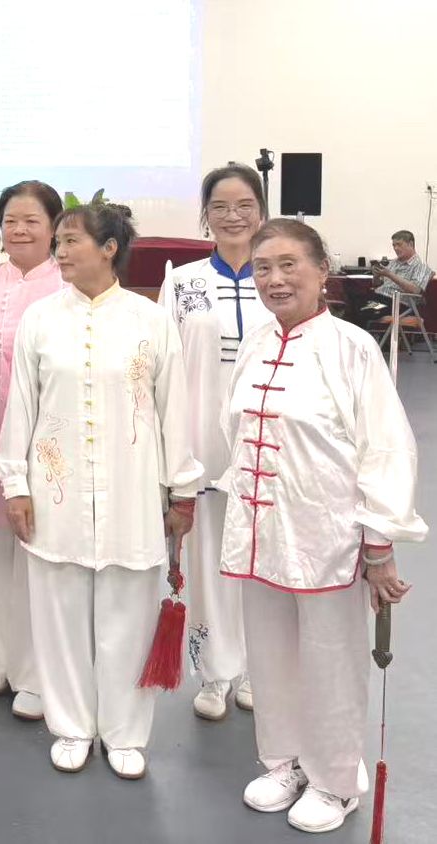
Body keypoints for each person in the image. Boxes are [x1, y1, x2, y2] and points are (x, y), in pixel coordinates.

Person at [222, 219, 426, 834]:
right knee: (270, 656)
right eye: (263, 267)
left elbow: (385, 448)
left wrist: (379, 542)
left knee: (331, 661)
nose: (275, 279)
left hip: (327, 535)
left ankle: (336, 780)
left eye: (289, 265)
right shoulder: (255, 343)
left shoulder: (351, 348)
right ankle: (283, 762)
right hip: (259, 532)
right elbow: (235, 432)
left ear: (321, 271)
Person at [0, 203, 201, 780]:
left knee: (128, 612)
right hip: (55, 488)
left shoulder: (149, 320)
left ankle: (125, 732)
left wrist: (181, 489)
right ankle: (70, 726)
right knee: (58, 611)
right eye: (58, 242)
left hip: (131, 489)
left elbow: (173, 409)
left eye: (71, 241)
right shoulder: (40, 319)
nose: (59, 252)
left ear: (109, 248)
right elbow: (22, 406)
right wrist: (15, 483)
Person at [158, 164, 271, 721]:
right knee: (206, 557)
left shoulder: (279, 278)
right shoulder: (183, 282)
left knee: (259, 558)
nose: (233, 216)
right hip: (202, 442)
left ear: (262, 211)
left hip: (268, 443)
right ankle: (213, 671)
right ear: (205, 215)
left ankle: (256, 668)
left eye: (244, 205)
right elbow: (166, 370)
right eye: (220, 207)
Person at [0, 180, 65, 721]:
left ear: (54, 228)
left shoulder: (66, 284)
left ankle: (35, 673)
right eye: (10, 220)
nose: (19, 230)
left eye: (31, 221)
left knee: (35, 555)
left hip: (43, 437)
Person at [353, 229, 433, 326]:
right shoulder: (393, 263)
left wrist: (390, 274)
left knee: (361, 312)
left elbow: (415, 290)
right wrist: (376, 275)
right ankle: (395, 320)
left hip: (397, 303)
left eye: (399, 244)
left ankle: (395, 320)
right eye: (394, 245)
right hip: (379, 298)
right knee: (351, 303)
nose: (395, 248)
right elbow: (377, 285)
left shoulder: (422, 266)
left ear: (411, 244)